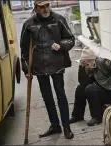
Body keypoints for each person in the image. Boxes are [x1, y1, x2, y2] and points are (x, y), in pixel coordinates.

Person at [20, 0, 74, 139]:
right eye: (41, 7)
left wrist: (61, 45)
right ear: (36, 7)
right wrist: (26, 68)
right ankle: (55, 126)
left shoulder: (59, 19)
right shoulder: (29, 24)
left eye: (47, 6)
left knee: (61, 95)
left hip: (57, 64)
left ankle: (66, 126)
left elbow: (70, 39)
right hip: (39, 66)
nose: (45, 9)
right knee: (47, 97)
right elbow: (24, 48)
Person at [69, 47, 111, 126]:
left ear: (91, 59)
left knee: (90, 88)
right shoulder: (88, 67)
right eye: (84, 63)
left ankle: (97, 117)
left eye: (86, 63)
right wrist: (81, 67)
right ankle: (77, 115)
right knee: (80, 88)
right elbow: (82, 82)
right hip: (100, 90)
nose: (85, 65)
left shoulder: (102, 62)